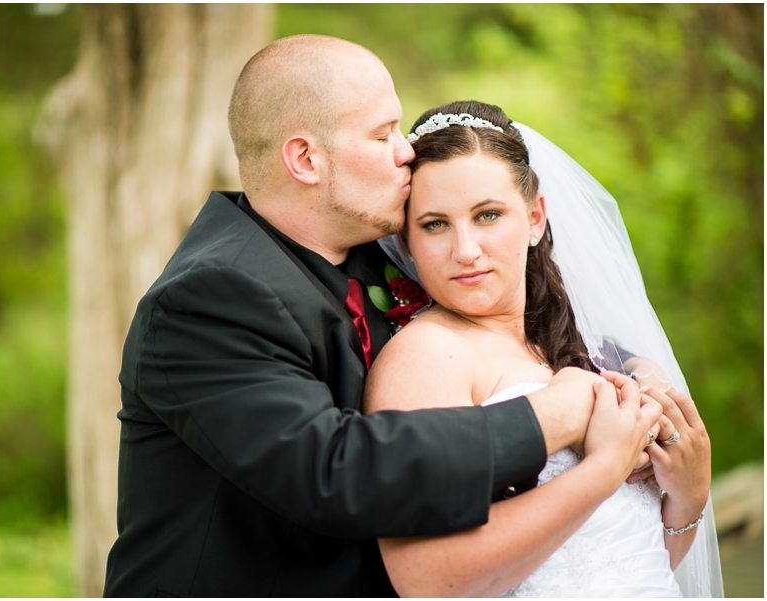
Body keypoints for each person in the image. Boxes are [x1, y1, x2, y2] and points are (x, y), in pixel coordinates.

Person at [102, 35, 660, 597]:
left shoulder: (379, 251)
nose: (405, 152)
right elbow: (334, 473)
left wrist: (635, 376)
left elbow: (520, 323)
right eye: (381, 134)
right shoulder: (208, 300)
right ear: (305, 160)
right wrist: (554, 415)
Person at [368, 100, 722, 596]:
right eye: (435, 224)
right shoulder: (426, 355)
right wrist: (605, 469)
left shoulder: (580, 347)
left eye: (488, 215)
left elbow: (626, 562)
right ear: (406, 241)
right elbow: (427, 582)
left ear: (535, 218)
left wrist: (690, 496)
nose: (465, 250)